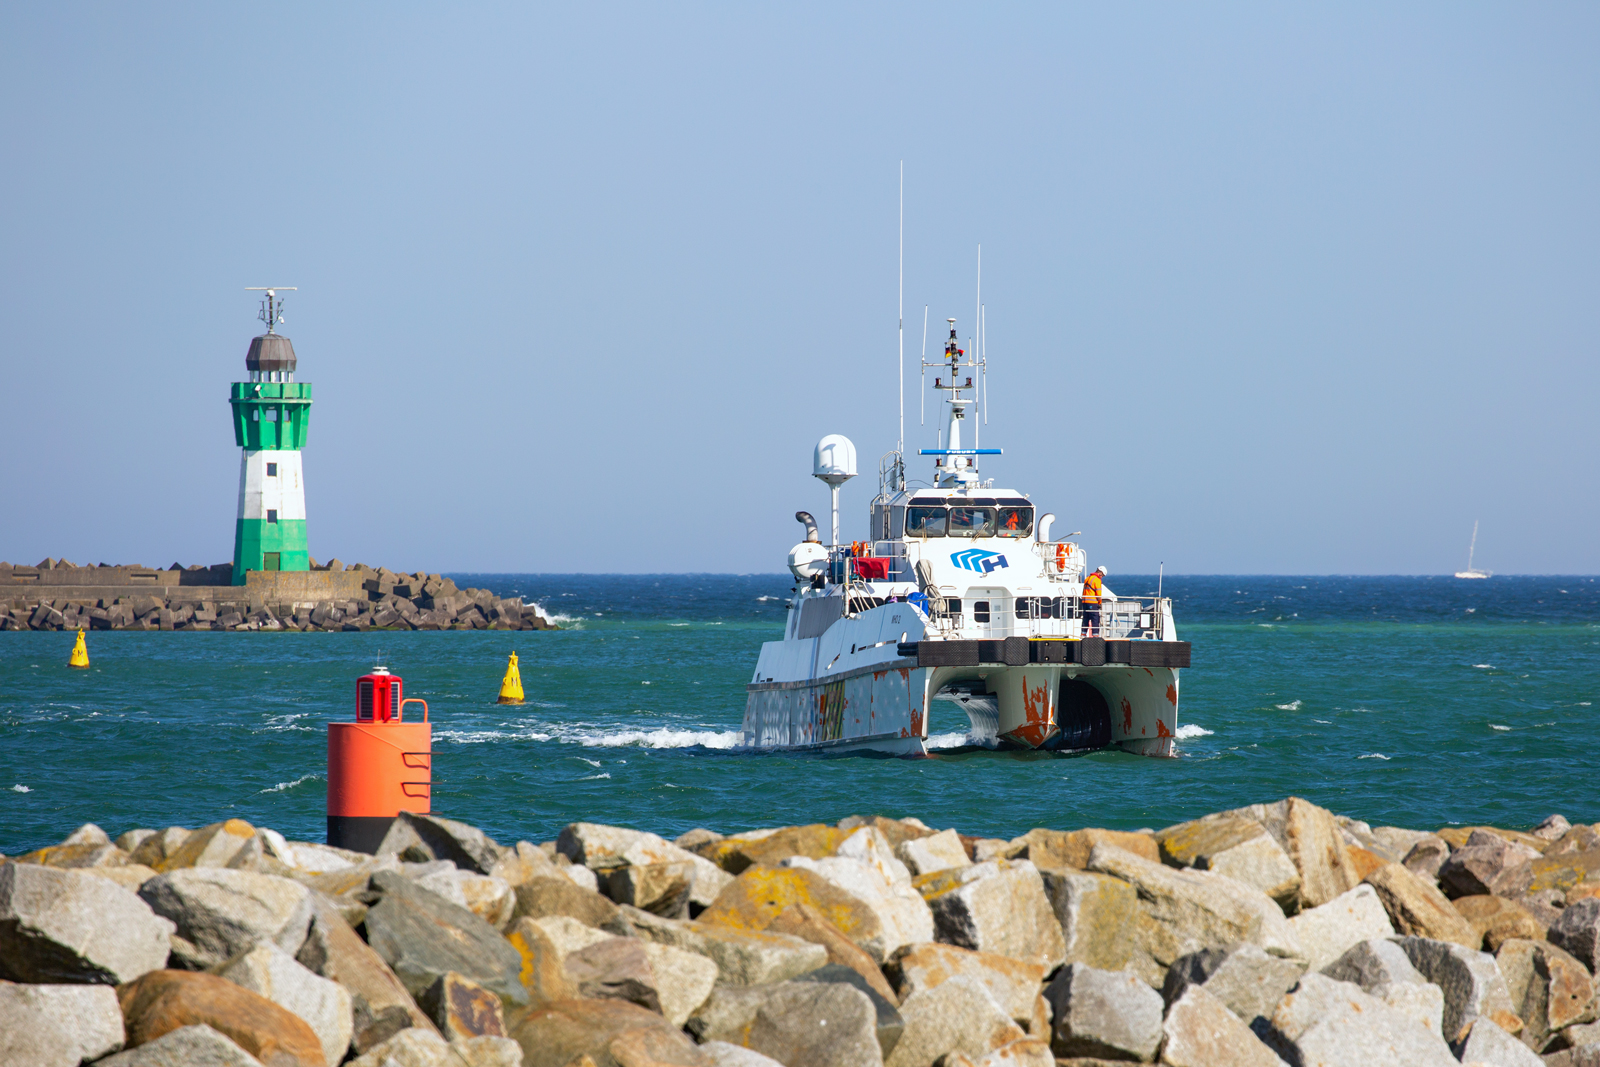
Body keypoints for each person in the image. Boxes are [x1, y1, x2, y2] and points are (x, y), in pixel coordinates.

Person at [1082, 565, 1113, 636]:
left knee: (1085, 619)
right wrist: (1099, 603)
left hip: (1084, 602)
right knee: (1095, 619)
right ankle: (1095, 635)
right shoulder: (1097, 580)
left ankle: (1082, 634)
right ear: (1100, 573)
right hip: (1092, 603)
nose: (1102, 577)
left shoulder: (1087, 578)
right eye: (1102, 575)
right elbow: (1098, 594)